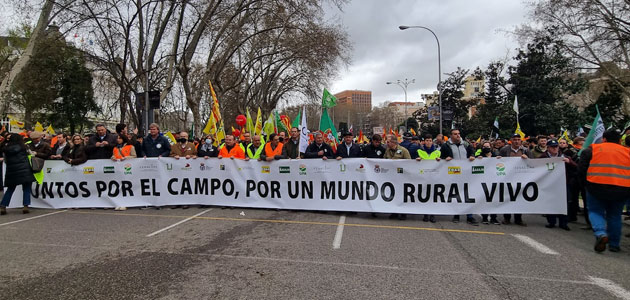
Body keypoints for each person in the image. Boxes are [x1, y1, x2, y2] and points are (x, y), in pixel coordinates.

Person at [578, 129, 630, 253]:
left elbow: (581, 169)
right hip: (622, 189)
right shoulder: (628, 152)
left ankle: (601, 233)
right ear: (619, 140)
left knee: (595, 211)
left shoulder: (591, 150)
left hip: (596, 187)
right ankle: (614, 244)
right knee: (615, 215)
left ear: (604, 139)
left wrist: (584, 185)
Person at [440, 129, 478, 225]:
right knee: (456, 195)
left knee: (468, 195)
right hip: (454, 174)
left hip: (466, 174)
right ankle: (456, 215)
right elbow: (441, 158)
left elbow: (472, 153)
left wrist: (472, 156)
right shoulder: (446, 146)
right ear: (451, 135)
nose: (457, 135)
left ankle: (470, 216)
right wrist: (445, 159)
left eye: (458, 134)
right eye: (455, 134)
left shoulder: (466, 144)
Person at [541, 139, 576, 231]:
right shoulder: (543, 157)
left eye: (556, 146)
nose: (555, 148)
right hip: (549, 184)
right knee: (550, 202)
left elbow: (576, 167)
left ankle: (563, 222)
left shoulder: (564, 156)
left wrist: (569, 161)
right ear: (548, 148)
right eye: (552, 147)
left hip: (563, 184)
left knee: (564, 203)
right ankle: (551, 221)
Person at [498, 134, 532, 226]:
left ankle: (518, 219)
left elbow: (532, 163)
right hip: (508, 178)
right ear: (511, 141)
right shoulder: (504, 150)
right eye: (515, 140)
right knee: (508, 198)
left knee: (519, 198)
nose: (517, 141)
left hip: (521, 178)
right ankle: (507, 218)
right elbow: (498, 162)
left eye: (518, 139)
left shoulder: (525, 150)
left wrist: (527, 159)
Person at [1, 134, 35, 215]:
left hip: (12, 170)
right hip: (24, 169)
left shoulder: (6, 149)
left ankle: (3, 206)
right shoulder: (24, 147)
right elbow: (31, 155)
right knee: (26, 188)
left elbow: (5, 160)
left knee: (10, 189)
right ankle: (25, 206)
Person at [383, 134, 410, 220]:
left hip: (401, 177)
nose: (386, 143)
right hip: (391, 177)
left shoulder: (404, 151)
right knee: (393, 194)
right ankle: (394, 212)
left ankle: (403, 213)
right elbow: (383, 161)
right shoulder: (387, 151)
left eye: (388, 142)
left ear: (393, 142)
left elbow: (409, 163)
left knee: (402, 195)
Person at [416, 134, 441, 223]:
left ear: (432, 141)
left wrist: (440, 160)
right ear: (424, 141)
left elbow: (442, 163)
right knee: (425, 196)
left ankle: (432, 215)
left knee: (433, 197)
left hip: (434, 178)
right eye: (427, 140)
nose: (428, 142)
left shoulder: (437, 152)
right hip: (423, 177)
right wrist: (417, 160)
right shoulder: (419, 151)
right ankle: (426, 214)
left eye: (430, 140)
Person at [476, 141, 501, 225]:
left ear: (491, 147)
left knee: (494, 199)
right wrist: (476, 159)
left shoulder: (495, 156)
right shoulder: (479, 157)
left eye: (488, 146)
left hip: (494, 180)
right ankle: (485, 217)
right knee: (484, 199)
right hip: (483, 181)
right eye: (484, 146)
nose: (486, 148)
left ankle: (494, 217)